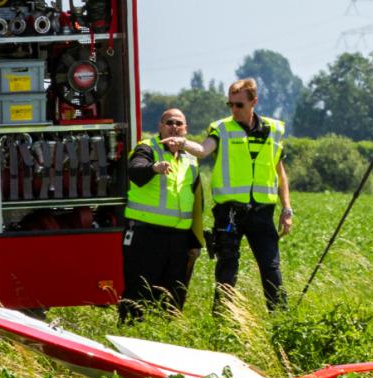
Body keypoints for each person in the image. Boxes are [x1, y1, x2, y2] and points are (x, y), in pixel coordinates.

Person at [164, 78, 293, 312]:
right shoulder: (222, 128)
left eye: (239, 105)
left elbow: (280, 174)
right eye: (230, 104)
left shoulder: (273, 131)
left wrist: (287, 209)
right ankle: (222, 320)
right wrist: (183, 143)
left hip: (262, 214)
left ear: (254, 102)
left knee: (271, 268)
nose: (234, 110)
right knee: (227, 269)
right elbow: (203, 150)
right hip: (230, 213)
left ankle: (281, 320)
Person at [119, 108, 204, 323]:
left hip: (177, 239)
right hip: (146, 235)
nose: (174, 126)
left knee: (172, 296)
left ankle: (166, 335)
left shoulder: (191, 160)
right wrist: (153, 168)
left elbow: (196, 203)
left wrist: (195, 240)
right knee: (138, 293)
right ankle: (130, 332)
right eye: (169, 122)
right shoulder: (147, 148)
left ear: (185, 129)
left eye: (179, 123)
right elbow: (135, 171)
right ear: (160, 126)